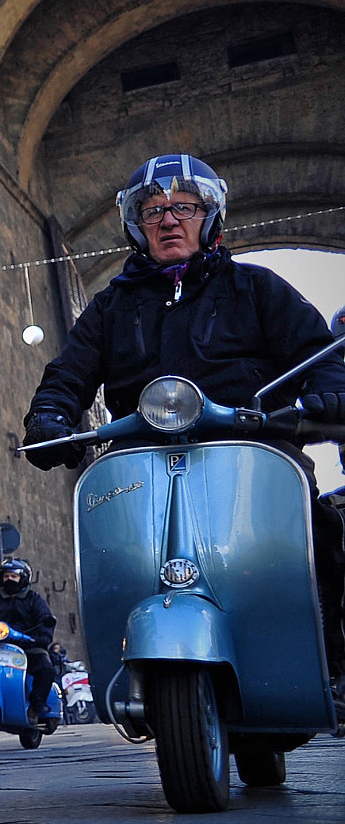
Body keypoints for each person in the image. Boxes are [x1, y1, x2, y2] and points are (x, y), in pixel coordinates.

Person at [22, 153, 345, 687]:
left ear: (210, 217)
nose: (169, 220)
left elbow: (317, 351)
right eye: (153, 211)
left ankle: (331, 663)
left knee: (319, 533)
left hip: (251, 453)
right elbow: (69, 371)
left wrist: (329, 395)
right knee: (113, 559)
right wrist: (51, 417)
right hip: (143, 460)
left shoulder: (257, 289)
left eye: (185, 207)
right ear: (137, 227)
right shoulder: (110, 308)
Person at [0, 559, 57, 720]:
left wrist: (41, 637)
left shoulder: (34, 599)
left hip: (30, 647)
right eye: (6, 576)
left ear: (24, 578)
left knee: (46, 670)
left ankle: (37, 704)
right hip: (2, 648)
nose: (9, 579)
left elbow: (45, 619)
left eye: (14, 576)